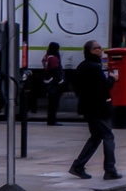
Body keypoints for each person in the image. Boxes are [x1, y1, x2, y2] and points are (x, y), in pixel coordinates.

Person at [68, 40, 120, 180]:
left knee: (96, 137)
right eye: (98, 48)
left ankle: (78, 166)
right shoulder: (94, 67)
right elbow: (103, 87)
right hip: (98, 108)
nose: (101, 49)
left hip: (88, 108)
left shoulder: (82, 66)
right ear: (92, 51)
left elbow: (78, 88)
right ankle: (110, 169)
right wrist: (112, 79)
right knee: (108, 137)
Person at [41, 42, 66, 124]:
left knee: (51, 103)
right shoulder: (54, 58)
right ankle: (52, 120)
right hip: (54, 83)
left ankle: (50, 119)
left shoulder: (47, 57)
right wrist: (60, 81)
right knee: (54, 103)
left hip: (49, 81)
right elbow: (55, 70)